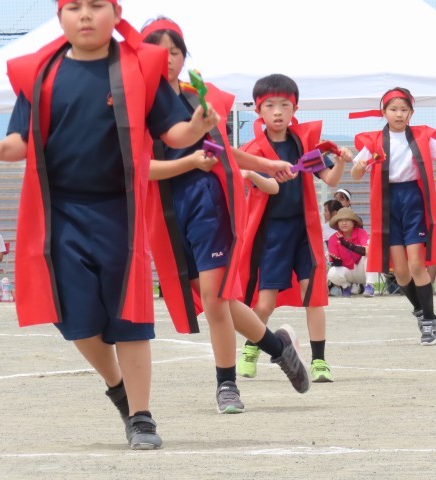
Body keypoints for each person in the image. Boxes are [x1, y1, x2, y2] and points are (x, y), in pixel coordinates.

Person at [0, 0, 224, 450]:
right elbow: (22, 139)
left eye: (97, 5)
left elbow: (172, 133)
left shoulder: (138, 67)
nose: (86, 15)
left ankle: (142, 416)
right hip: (61, 214)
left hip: (122, 211)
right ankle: (118, 388)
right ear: (60, 17)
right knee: (76, 322)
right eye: (74, 7)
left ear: (115, 13)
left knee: (130, 318)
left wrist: (195, 125)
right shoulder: (39, 73)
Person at [142, 18, 310, 415]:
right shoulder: (136, 103)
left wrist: (266, 165)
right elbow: (136, 166)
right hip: (163, 210)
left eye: (175, 51)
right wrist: (189, 164)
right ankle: (277, 346)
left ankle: (227, 385)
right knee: (211, 296)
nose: (167, 58)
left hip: (206, 202)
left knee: (217, 299)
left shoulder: (197, 100)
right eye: (157, 51)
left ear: (184, 57)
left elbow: (220, 153)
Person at [350, 87, 436, 345]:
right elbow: (356, 174)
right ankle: (420, 309)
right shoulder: (373, 141)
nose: (399, 114)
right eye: (393, 109)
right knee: (400, 272)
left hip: (413, 201)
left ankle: (429, 320)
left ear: (412, 112)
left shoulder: (422, 137)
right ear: (383, 112)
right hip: (386, 204)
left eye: (404, 110)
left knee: (417, 265)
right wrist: (359, 167)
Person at [236, 73, 354, 383]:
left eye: (285, 105)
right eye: (270, 105)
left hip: (304, 231)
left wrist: (340, 160)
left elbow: (330, 180)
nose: (277, 111)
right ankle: (251, 347)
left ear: (295, 108)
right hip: (271, 234)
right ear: (258, 110)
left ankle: (319, 362)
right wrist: (261, 176)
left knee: (313, 296)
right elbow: (260, 186)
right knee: (264, 303)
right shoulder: (252, 149)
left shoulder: (304, 143)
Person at [327, 207, 377, 297]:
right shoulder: (333, 238)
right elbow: (335, 263)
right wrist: (336, 262)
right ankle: (346, 286)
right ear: (337, 223)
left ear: (353, 222)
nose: (344, 223)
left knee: (370, 249)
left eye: (347, 220)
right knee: (332, 272)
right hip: (348, 272)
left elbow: (368, 252)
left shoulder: (361, 232)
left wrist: (348, 245)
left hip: (363, 271)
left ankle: (369, 285)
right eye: (341, 220)